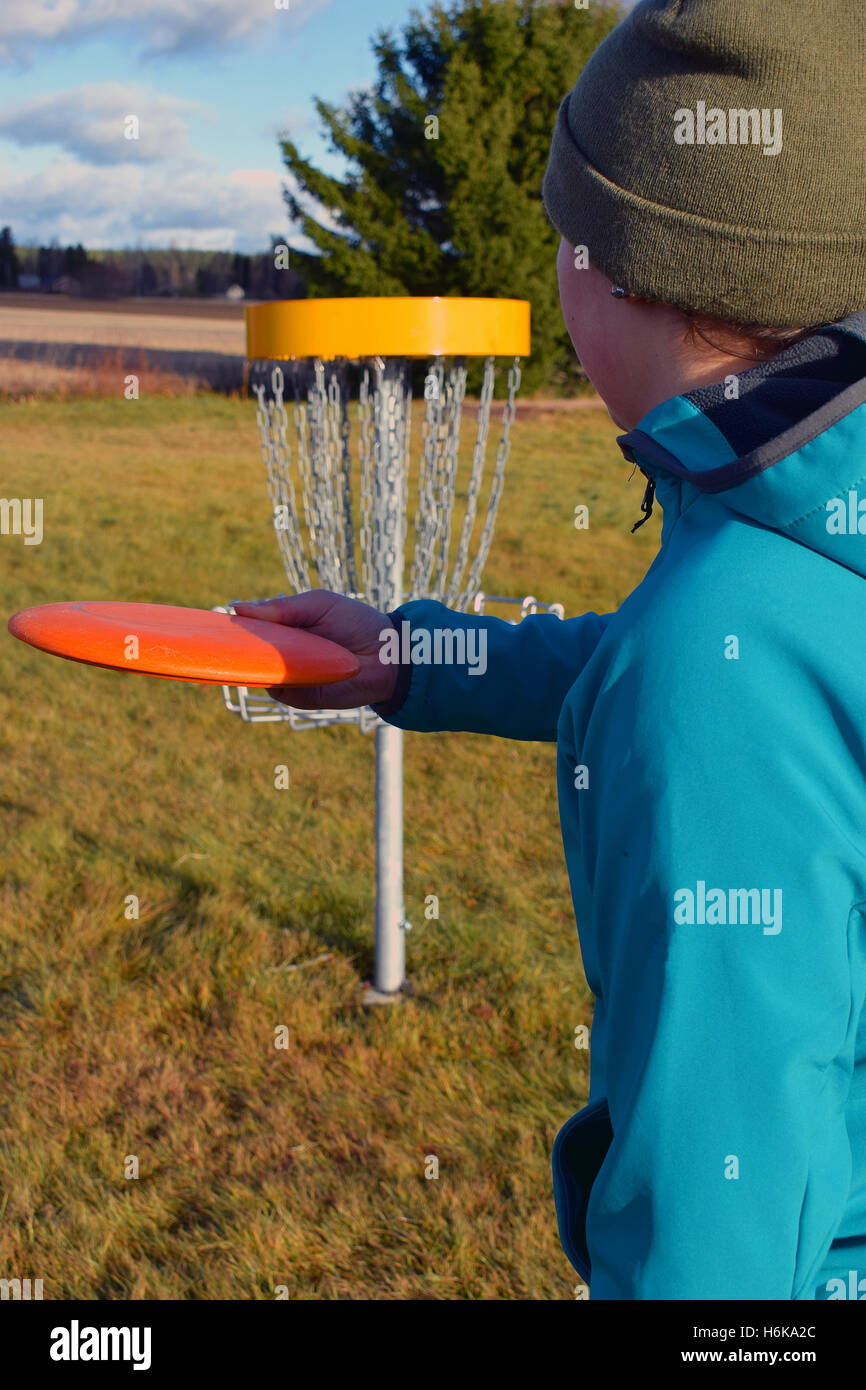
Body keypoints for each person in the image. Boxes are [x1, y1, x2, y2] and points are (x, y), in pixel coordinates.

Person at [235, 0, 866, 1298]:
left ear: (627, 270)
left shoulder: (715, 649)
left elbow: (715, 1210)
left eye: (565, 235)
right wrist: (418, 655)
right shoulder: (806, 524)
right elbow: (723, 674)